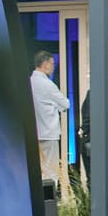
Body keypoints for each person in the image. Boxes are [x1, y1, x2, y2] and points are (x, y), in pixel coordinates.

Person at [31, 51, 70, 182]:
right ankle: (50, 195)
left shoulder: (29, 82)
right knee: (51, 172)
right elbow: (65, 104)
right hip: (49, 133)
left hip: (34, 133)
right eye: (53, 64)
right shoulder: (47, 84)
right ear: (45, 64)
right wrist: (54, 105)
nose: (53, 67)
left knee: (38, 171)